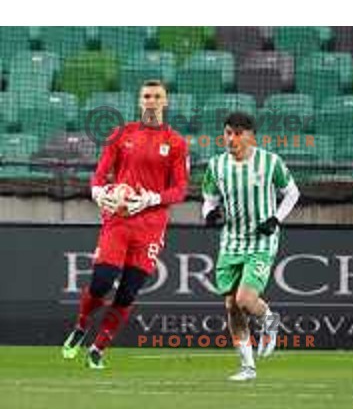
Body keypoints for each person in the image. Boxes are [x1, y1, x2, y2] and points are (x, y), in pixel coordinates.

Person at [62, 80, 189, 368]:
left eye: (157, 96)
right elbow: (99, 175)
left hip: (152, 226)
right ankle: (81, 326)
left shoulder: (177, 142)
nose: (152, 101)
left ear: (165, 102)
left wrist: (151, 199)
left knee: (128, 291)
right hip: (118, 219)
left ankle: (98, 349)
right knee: (102, 282)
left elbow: (180, 189)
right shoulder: (122, 134)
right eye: (147, 96)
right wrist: (98, 193)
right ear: (139, 101)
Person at [202, 112, 300, 381]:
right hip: (231, 241)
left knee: (245, 299)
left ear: (250, 136)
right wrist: (209, 214)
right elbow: (209, 199)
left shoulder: (270, 162)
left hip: (261, 240)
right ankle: (248, 367)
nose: (230, 139)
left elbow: (292, 192)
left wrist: (276, 219)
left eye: (236, 133)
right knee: (232, 306)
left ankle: (270, 320)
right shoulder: (216, 165)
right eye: (227, 133)